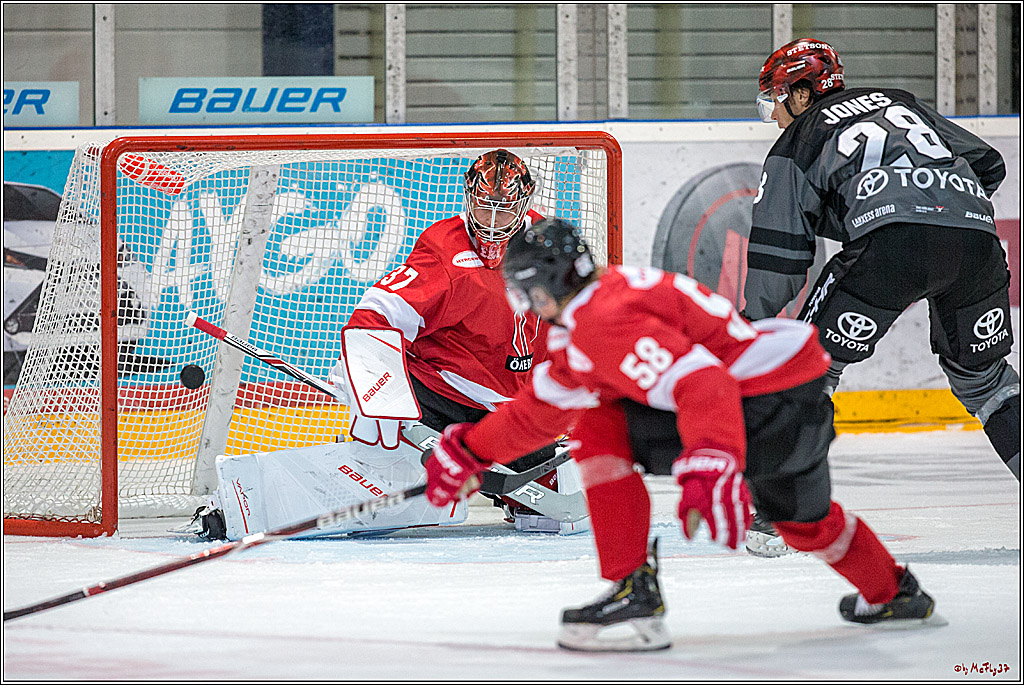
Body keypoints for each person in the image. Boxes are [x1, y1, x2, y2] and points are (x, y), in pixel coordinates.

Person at [422, 218, 941, 652]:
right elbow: (544, 408)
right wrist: (470, 450)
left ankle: (631, 592)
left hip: (753, 411)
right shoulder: (602, 299)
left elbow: (702, 382)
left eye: (525, 292)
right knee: (804, 522)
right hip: (791, 402)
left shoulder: (602, 321)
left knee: (600, 425)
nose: (526, 304)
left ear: (542, 287)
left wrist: (711, 458)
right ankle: (896, 594)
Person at [338, 148, 577, 533]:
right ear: (468, 200)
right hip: (437, 395)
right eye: (484, 208)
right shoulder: (444, 250)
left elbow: (576, 323)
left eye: (505, 211)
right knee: (387, 491)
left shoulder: (547, 248)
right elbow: (375, 315)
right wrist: (378, 396)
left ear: (524, 207)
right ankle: (367, 467)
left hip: (508, 408)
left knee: (553, 516)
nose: (493, 223)